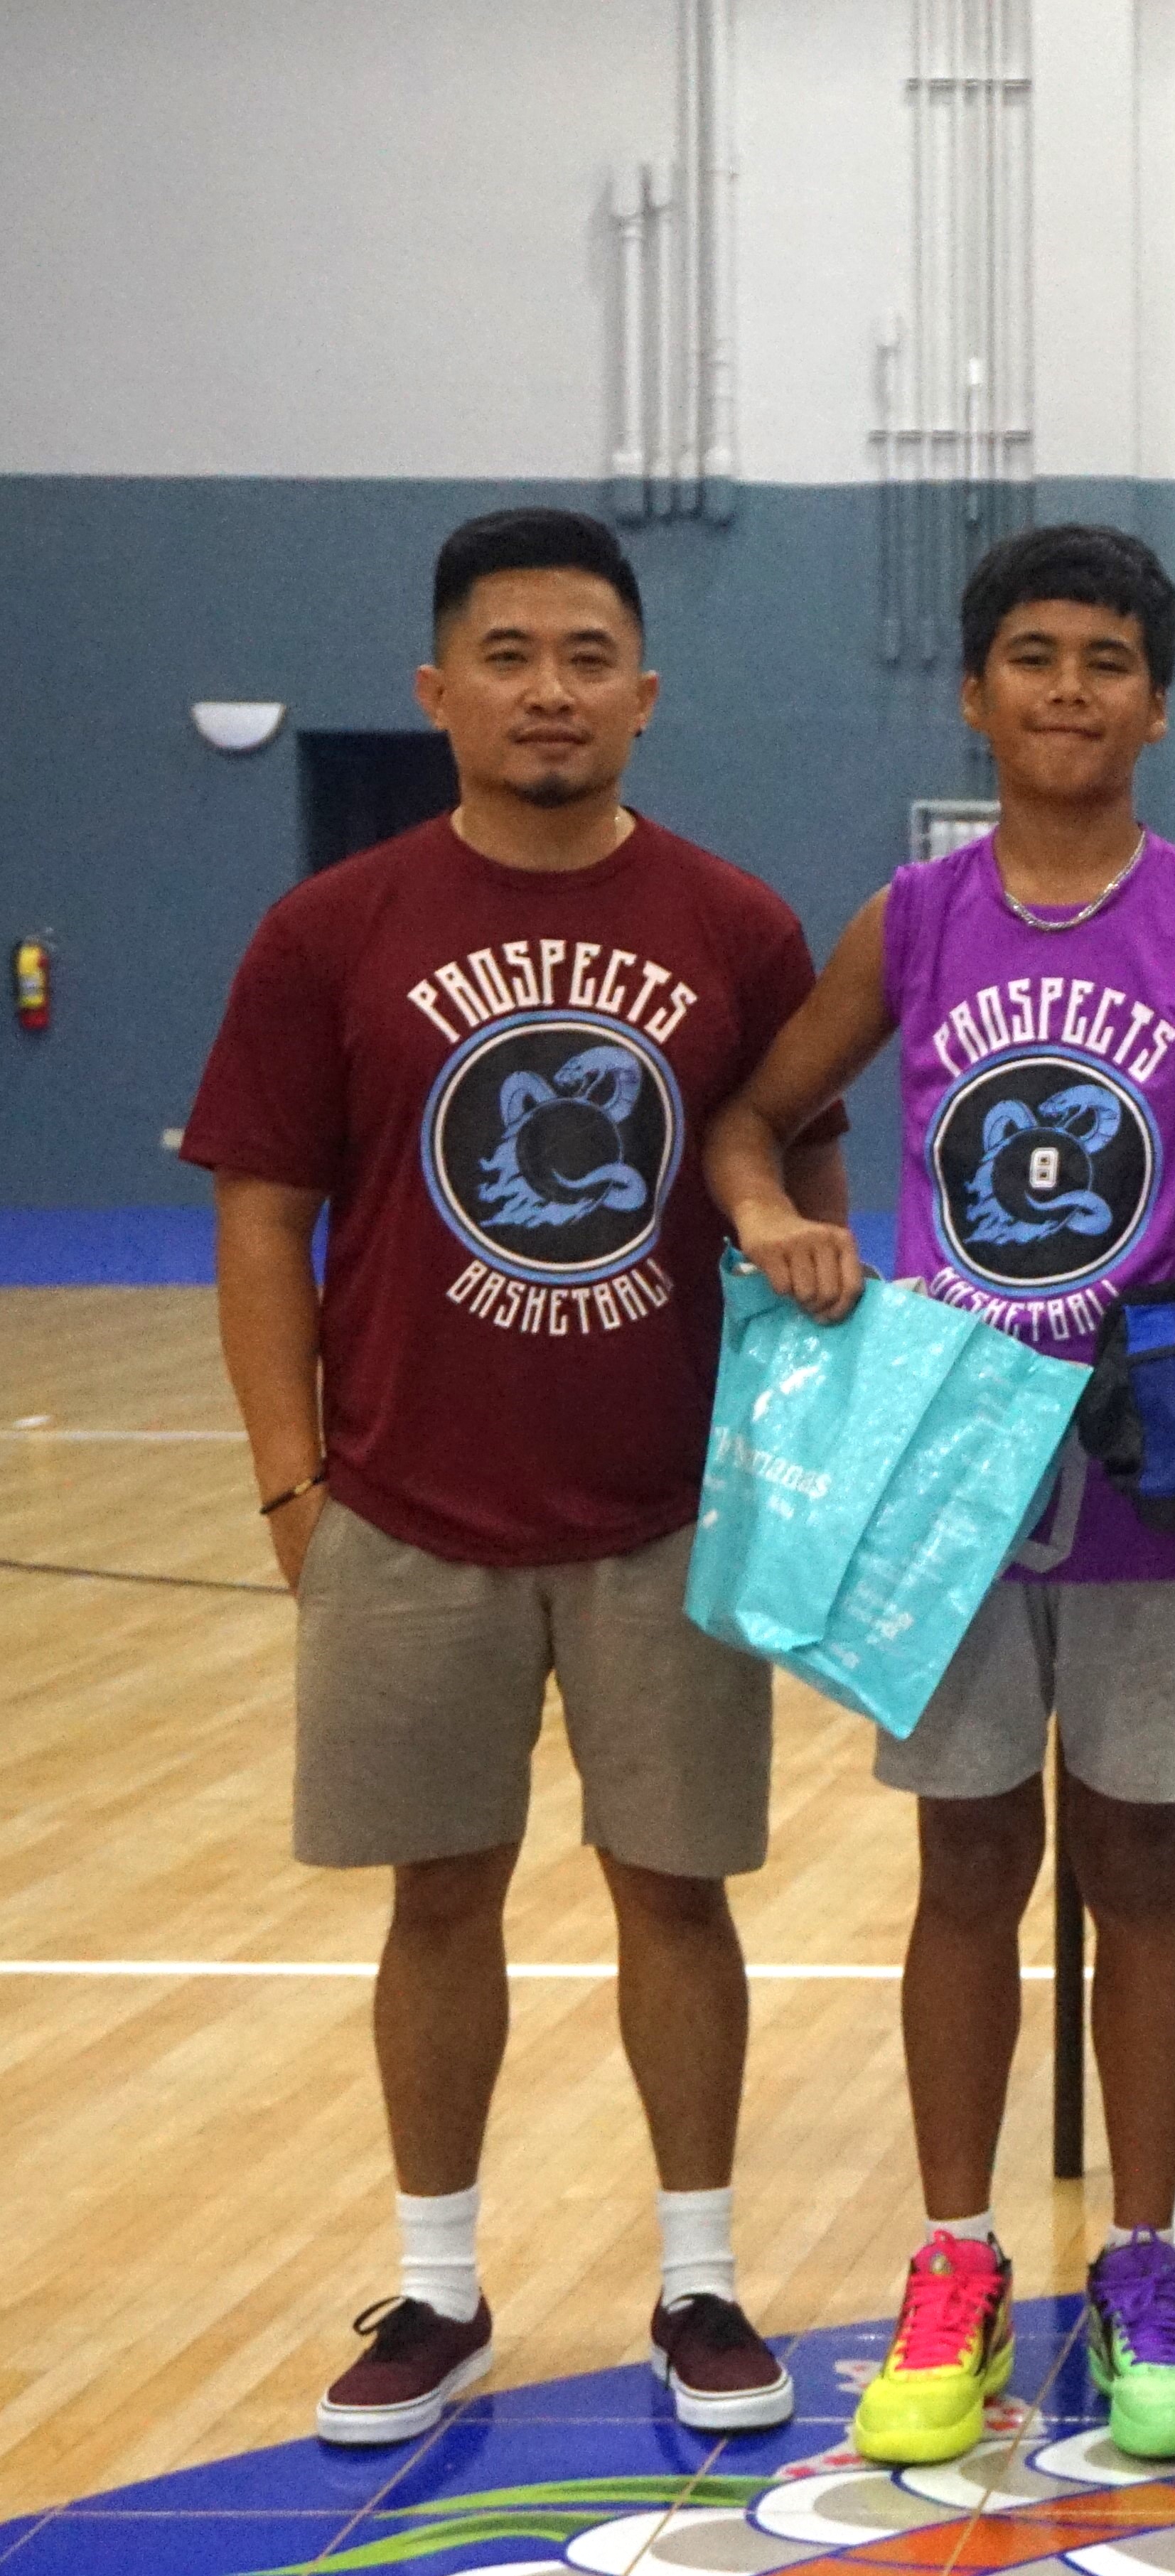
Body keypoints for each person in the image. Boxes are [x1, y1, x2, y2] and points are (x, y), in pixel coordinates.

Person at [702, 523, 1175, 2467]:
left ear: (1159, 702)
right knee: (968, 1866)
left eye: (1107, 661)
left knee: (1145, 1861)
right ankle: (957, 2255)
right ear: (977, 692)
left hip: (1151, 1449)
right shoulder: (912, 922)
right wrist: (771, 1215)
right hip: (949, 1463)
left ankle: (1142, 2259)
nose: (1071, 687)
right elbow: (754, 1109)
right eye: (1035, 656)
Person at [186, 506, 835, 2445]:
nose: (547, 690)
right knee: (436, 1895)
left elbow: (799, 1194)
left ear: (645, 690)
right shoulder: (332, 929)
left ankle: (702, 2277)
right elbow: (260, 1219)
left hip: (670, 1509)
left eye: (583, 658)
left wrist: (787, 1476)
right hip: (404, 1507)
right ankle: (440, 2284)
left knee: (679, 1896)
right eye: (509, 653)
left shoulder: (736, 928)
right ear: (437, 688)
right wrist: (294, 1486)